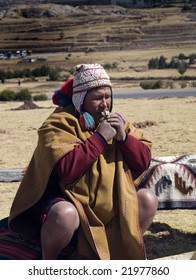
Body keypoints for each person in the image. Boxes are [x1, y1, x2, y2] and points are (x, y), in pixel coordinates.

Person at [8, 63, 158, 260]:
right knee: (65, 214)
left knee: (147, 199)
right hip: (67, 197)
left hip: (109, 200)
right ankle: (48, 261)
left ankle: (117, 252)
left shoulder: (118, 122)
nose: (104, 104)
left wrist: (124, 139)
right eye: (97, 98)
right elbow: (66, 169)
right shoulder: (59, 123)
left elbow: (143, 162)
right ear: (80, 99)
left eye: (108, 96)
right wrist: (100, 138)